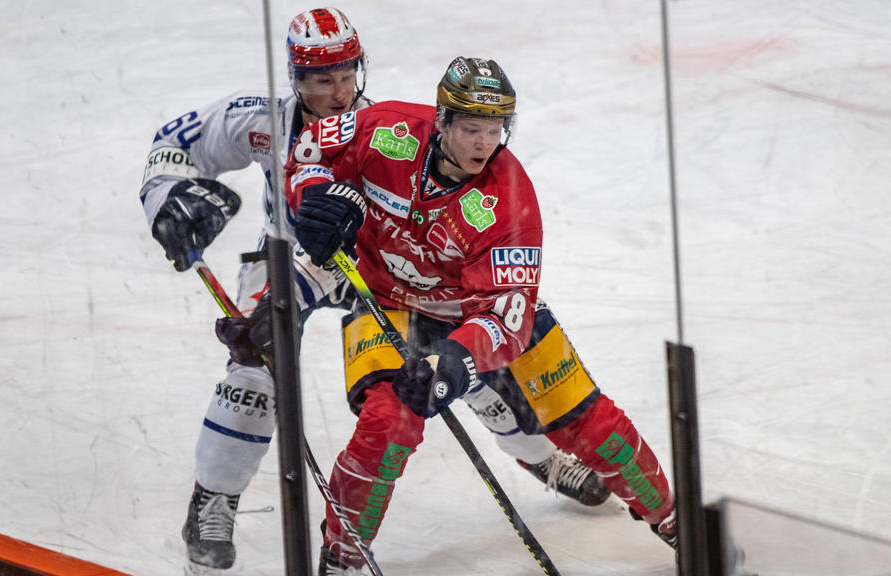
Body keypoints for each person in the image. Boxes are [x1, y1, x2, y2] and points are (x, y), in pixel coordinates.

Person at [138, 8, 607, 571]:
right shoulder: (259, 117)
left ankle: (540, 457)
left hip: (380, 265)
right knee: (256, 361)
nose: (337, 92)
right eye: (320, 79)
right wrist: (162, 197)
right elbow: (174, 146)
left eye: (346, 75)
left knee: (460, 358)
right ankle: (213, 498)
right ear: (293, 77)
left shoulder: (381, 127)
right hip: (291, 255)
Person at [274, 56, 678, 574]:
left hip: (475, 317)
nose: (484, 144)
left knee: (588, 423)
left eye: (494, 130)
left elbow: (508, 315)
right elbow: (309, 149)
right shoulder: (387, 128)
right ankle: (342, 556)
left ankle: (673, 521)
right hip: (389, 304)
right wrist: (313, 196)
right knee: (387, 424)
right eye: (470, 129)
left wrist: (458, 358)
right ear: (441, 120)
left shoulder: (511, 198)